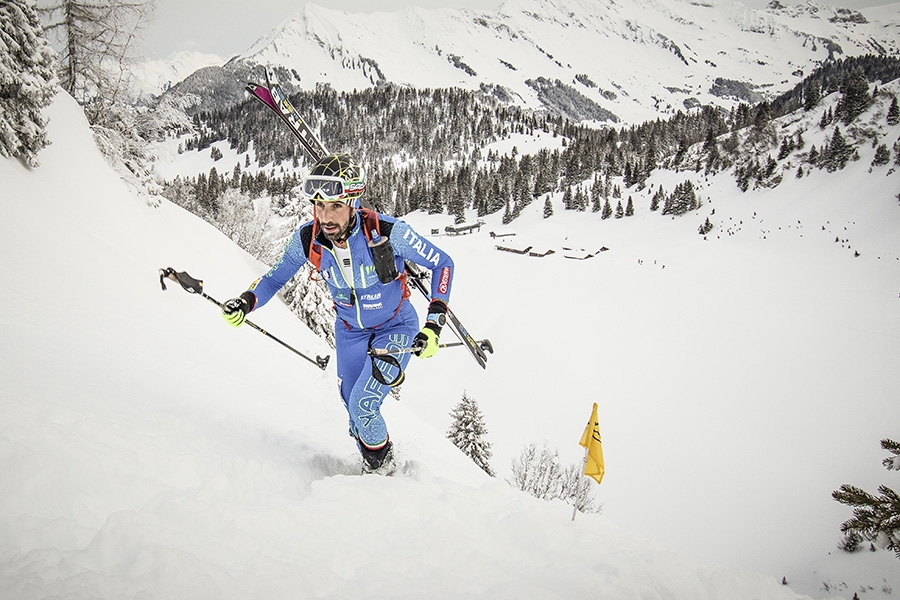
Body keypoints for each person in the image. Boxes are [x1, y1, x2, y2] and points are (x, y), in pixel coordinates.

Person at [221, 153, 453, 473]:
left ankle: (384, 472)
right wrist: (247, 301)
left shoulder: (389, 231)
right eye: (319, 205)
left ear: (353, 202)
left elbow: (443, 263)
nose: (325, 216)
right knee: (352, 407)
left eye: (335, 206)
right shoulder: (308, 238)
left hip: (396, 326)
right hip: (349, 332)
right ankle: (372, 462)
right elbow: (275, 277)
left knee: (364, 405)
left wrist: (434, 325)